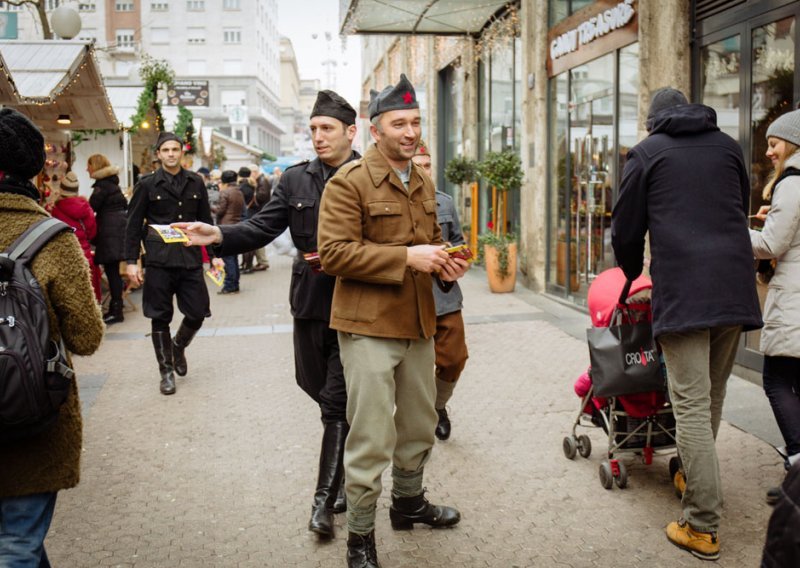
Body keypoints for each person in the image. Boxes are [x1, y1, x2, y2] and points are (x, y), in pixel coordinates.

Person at [174, 89, 361, 540]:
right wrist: (215, 234)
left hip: (357, 302)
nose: (317, 137)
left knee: (336, 401)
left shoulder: (370, 176)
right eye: (314, 129)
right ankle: (349, 453)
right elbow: (262, 227)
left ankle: (325, 503)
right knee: (314, 386)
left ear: (351, 132)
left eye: (327, 129)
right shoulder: (295, 180)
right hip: (310, 300)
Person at [317, 74, 469, 568]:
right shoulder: (349, 182)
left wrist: (447, 264)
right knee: (371, 435)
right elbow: (335, 254)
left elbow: (428, 247)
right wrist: (408, 258)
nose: (411, 131)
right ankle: (360, 536)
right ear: (374, 129)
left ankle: (407, 504)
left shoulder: (424, 180)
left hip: (419, 321)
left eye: (416, 122)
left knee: (420, 426)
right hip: (368, 328)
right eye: (399, 123)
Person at [612, 87, 763, 561]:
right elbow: (738, 205)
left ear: (653, 120)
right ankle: (690, 474)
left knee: (691, 406)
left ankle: (701, 523)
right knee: (711, 397)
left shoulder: (647, 153)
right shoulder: (727, 147)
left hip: (685, 292)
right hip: (734, 286)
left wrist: (632, 270)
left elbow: (626, 225)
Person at [0, 107, 104, 567]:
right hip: (32, 415)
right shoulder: (50, 237)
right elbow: (85, 337)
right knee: (18, 543)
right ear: (36, 169)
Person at [124, 131, 219, 396]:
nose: (170, 154)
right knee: (159, 317)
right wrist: (132, 261)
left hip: (189, 258)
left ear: (182, 153)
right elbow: (132, 226)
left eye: (175, 150)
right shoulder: (147, 184)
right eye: (165, 150)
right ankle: (166, 371)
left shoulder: (195, 182)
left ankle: (178, 346)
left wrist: (214, 255)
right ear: (158, 154)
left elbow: (206, 224)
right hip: (159, 261)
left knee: (198, 312)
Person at [749, 109, 800, 504]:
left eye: (774, 143)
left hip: (795, 300)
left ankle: (797, 471)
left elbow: (771, 245)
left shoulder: (793, 182)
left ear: (793, 143)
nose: (769, 152)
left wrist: (735, 228)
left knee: (776, 380)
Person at [411, 140, 469, 441]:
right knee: (413, 368)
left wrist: (461, 259)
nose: (424, 171)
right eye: (417, 166)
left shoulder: (445, 202)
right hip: (408, 298)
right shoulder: (397, 202)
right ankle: (416, 420)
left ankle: (438, 406)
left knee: (454, 358)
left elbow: (459, 240)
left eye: (428, 165)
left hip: (445, 294)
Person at [87, 153, 128, 324]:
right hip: (118, 231)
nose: (86, 169)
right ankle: (117, 305)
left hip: (109, 233)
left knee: (112, 273)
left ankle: (116, 310)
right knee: (114, 273)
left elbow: (91, 208)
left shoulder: (102, 187)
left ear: (95, 167)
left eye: (88, 165)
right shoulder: (112, 184)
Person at [49, 171, 102, 303]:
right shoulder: (86, 208)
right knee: (87, 294)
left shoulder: (56, 210)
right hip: (84, 254)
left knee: (70, 296)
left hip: (64, 255)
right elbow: (92, 233)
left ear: (61, 190)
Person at [214, 170, 245, 294]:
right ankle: (235, 283)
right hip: (236, 226)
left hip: (226, 227)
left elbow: (220, 210)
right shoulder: (239, 191)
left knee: (228, 258)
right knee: (234, 258)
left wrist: (212, 209)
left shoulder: (225, 192)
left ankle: (229, 285)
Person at [246, 163, 271, 271]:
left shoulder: (262, 181)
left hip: (260, 211)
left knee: (259, 237)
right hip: (260, 211)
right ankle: (261, 261)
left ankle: (263, 262)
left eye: (250, 173)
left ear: (255, 172)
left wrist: (253, 195)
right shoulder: (260, 180)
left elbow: (262, 196)